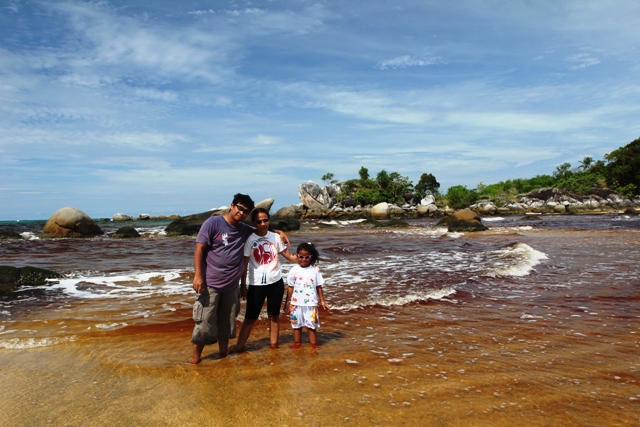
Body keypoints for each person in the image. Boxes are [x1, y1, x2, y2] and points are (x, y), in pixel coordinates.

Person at [189, 194, 289, 364]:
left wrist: (280, 232)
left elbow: (263, 230)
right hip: (210, 283)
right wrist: (198, 276)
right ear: (232, 205)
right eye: (239, 208)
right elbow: (199, 249)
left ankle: (223, 355)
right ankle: (196, 357)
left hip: (231, 286)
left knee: (227, 323)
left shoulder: (244, 229)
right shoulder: (213, 223)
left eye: (245, 211)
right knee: (205, 322)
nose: (241, 213)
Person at [235, 208, 298, 352]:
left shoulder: (275, 237)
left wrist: (307, 260)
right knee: (250, 318)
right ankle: (239, 348)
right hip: (256, 284)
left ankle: (274, 347)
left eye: (265, 220)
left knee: (274, 316)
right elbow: (244, 264)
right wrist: (243, 284)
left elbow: (289, 255)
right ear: (254, 223)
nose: (262, 224)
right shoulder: (249, 239)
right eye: (259, 221)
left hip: (276, 282)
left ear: (269, 221)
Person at [284, 242, 329, 350]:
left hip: (311, 303)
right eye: (301, 256)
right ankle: (297, 342)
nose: (304, 259)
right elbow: (290, 287)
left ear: (311, 257)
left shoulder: (315, 270)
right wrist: (286, 302)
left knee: (311, 326)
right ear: (297, 255)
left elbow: (319, 287)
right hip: (295, 303)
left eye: (307, 257)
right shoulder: (294, 270)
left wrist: (322, 301)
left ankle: (313, 344)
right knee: (296, 325)